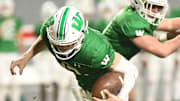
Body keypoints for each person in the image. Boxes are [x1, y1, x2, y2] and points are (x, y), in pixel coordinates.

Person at [10, 6, 138, 101]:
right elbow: (44, 37)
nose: (63, 48)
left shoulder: (95, 50)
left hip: (103, 87)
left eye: (68, 44)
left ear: (80, 36)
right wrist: (25, 57)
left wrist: (121, 97)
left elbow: (131, 70)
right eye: (58, 44)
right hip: (80, 82)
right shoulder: (50, 28)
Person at [103, 0, 180, 60]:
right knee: (131, 72)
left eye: (159, 7)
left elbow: (171, 24)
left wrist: (167, 36)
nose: (155, 11)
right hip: (101, 62)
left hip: (112, 61)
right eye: (152, 6)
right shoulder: (130, 20)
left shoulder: (139, 14)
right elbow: (163, 50)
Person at [0, 0, 22, 101]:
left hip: (11, 52)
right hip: (3, 52)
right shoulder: (13, 20)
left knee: (15, 82)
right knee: (2, 83)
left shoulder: (16, 20)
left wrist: (22, 54)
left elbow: (19, 37)